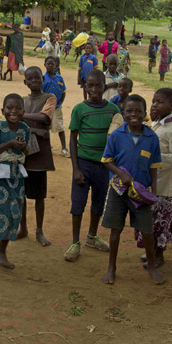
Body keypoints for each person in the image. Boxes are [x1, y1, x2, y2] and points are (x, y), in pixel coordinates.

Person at [100, 94, 163, 285]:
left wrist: (154, 190)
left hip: (141, 193)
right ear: (123, 113)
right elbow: (107, 161)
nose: (134, 114)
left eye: (138, 111)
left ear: (145, 113)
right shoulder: (116, 136)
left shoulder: (151, 137)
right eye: (129, 111)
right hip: (118, 190)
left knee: (147, 230)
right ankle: (111, 268)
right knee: (115, 230)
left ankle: (151, 266)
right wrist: (121, 174)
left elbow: (154, 166)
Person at [66, 70, 121, 262]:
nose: (94, 89)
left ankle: (92, 236)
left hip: (104, 166)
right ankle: (75, 242)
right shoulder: (79, 109)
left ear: (105, 86)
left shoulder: (113, 110)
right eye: (90, 86)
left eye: (99, 85)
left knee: (99, 202)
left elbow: (117, 136)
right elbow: (73, 139)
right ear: (85, 87)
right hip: (83, 164)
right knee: (78, 203)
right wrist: (76, 168)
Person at [140, 88, 172, 269]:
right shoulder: (155, 125)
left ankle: (158, 255)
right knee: (150, 221)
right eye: (153, 101)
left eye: (160, 102)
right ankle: (150, 251)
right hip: (153, 183)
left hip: (167, 186)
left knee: (162, 224)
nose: (154, 105)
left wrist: (154, 159)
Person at [0, 93, 31, 269]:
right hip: (0, 178)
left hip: (17, 176)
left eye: (18, 108)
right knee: (2, 212)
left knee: (15, 211)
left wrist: (22, 147)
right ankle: (0, 252)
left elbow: (26, 153)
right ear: (2, 110)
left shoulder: (25, 128)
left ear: (23, 112)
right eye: (9, 108)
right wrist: (10, 144)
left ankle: (2, 251)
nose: (14, 111)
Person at [19, 67, 56, 248]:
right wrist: (36, 131)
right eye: (30, 79)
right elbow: (15, 123)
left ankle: (39, 230)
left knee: (39, 196)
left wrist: (22, 116)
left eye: (37, 78)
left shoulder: (49, 98)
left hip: (40, 155)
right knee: (21, 194)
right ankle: (23, 228)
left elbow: (43, 117)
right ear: (25, 82)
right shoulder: (22, 100)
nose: (34, 81)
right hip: (22, 154)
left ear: (43, 79)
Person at [41, 56, 68, 157]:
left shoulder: (59, 78)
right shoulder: (43, 79)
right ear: (45, 65)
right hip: (46, 108)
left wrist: (60, 103)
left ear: (56, 65)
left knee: (60, 127)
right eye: (48, 64)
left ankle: (64, 148)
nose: (50, 66)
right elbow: (41, 93)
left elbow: (63, 91)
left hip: (57, 107)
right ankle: (48, 146)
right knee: (46, 127)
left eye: (52, 64)